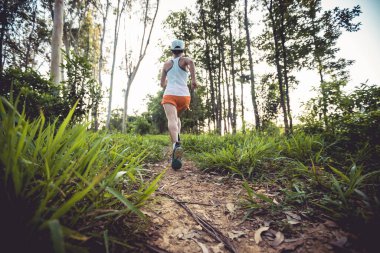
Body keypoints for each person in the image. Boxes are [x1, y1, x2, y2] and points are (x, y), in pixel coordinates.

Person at [160, 39, 197, 170]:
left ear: (172, 51)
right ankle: (177, 143)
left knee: (171, 119)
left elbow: (162, 83)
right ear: (182, 50)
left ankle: (176, 144)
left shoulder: (166, 64)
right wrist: (193, 80)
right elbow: (191, 62)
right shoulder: (184, 60)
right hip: (184, 96)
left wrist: (168, 84)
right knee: (177, 119)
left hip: (170, 94)